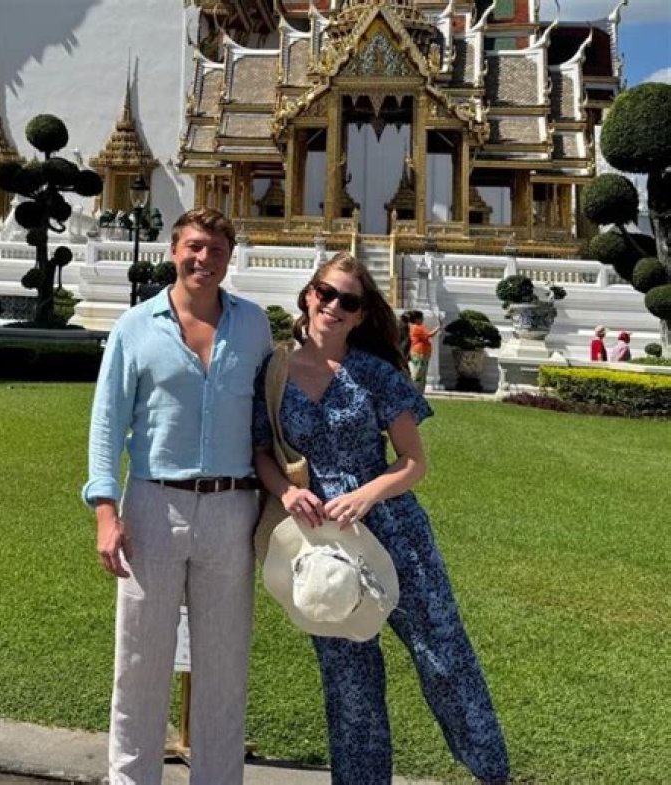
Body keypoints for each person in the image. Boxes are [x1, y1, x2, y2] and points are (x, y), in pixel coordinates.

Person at [252, 252, 510, 785]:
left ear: (362, 314)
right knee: (350, 680)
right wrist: (287, 492)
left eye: (349, 301)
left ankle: (492, 773)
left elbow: (414, 462)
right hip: (321, 540)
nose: (334, 307)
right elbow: (260, 452)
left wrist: (366, 495)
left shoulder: (374, 374)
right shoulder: (274, 371)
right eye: (327, 294)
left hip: (394, 530)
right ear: (309, 295)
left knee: (443, 655)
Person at [82, 207, 272, 785]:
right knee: (140, 660)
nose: (203, 259)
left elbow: (269, 418)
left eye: (216, 250)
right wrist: (106, 512)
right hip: (153, 505)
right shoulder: (136, 326)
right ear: (173, 250)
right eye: (193, 247)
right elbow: (107, 423)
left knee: (224, 665)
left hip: (232, 507)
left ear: (230, 258)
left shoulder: (253, 326)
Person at [408, 309, 441, 393]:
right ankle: (415, 390)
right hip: (419, 353)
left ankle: (419, 391)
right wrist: (438, 327)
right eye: (421, 318)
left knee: (421, 373)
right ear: (416, 319)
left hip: (422, 353)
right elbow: (429, 335)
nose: (422, 320)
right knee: (418, 373)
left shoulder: (416, 327)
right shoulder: (417, 328)